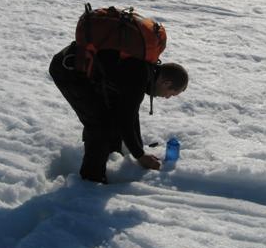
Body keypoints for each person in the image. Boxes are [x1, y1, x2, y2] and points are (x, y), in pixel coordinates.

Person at [49, 42, 188, 184]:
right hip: (68, 70)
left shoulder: (144, 71)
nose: (167, 97)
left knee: (111, 114)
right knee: (99, 124)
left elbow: (130, 113)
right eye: (171, 94)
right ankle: (91, 180)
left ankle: (112, 152)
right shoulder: (138, 77)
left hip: (82, 67)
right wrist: (140, 156)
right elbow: (126, 121)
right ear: (166, 83)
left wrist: (139, 149)